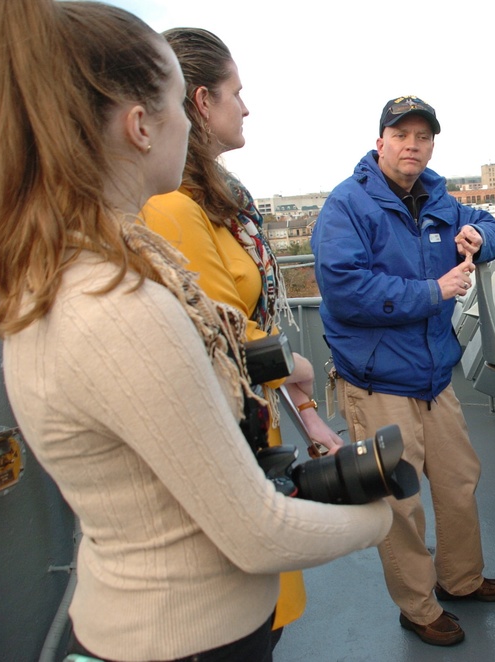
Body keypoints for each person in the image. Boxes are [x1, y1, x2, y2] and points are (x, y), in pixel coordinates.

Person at [0, 2, 391, 661]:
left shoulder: (85, 268)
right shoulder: (120, 305)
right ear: (141, 125)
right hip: (189, 639)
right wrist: (379, 513)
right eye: (177, 102)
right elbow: (256, 532)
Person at [140, 28, 342, 642]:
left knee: (261, 624)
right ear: (201, 103)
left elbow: (256, 322)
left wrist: (308, 418)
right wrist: (301, 372)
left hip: (255, 427)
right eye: (236, 92)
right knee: (243, 628)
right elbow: (226, 341)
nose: (246, 106)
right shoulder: (174, 206)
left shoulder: (224, 201)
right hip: (228, 443)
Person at [311, 96, 495, 647]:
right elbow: (346, 291)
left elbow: (492, 224)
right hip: (377, 383)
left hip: (434, 378)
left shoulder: (440, 199)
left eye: (423, 137)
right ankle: (418, 608)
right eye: (402, 135)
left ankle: (462, 581)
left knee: (458, 483)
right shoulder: (347, 206)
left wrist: (481, 240)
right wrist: (434, 291)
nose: (413, 146)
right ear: (380, 142)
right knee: (400, 506)